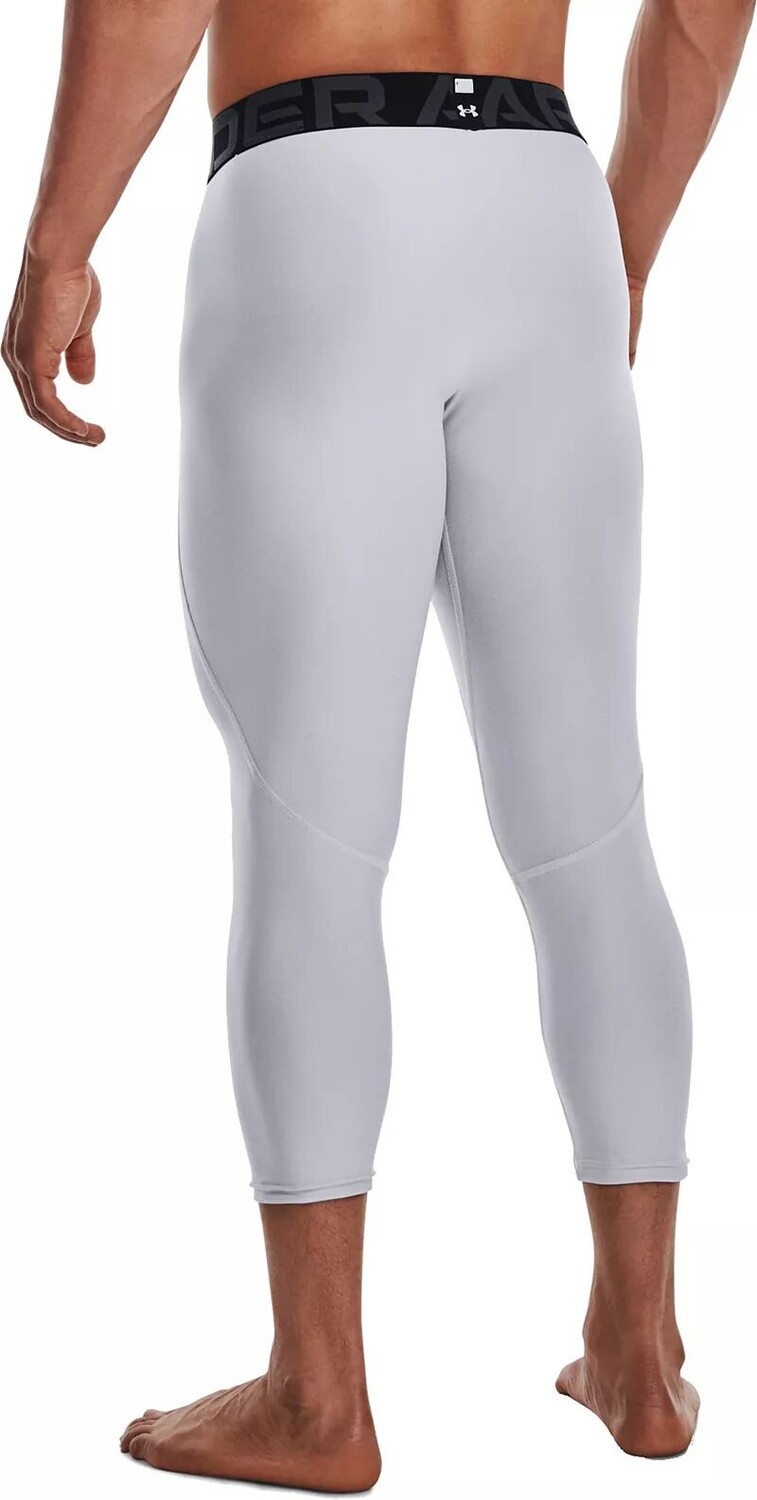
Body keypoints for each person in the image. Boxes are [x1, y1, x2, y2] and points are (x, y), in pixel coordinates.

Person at [3, 0, 754, 1489]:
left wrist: (58, 247)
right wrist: (615, 252)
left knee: (314, 829)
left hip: (315, 199)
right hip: (542, 203)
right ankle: (640, 1348)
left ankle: (318, 1397)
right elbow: (700, 8)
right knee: (590, 826)